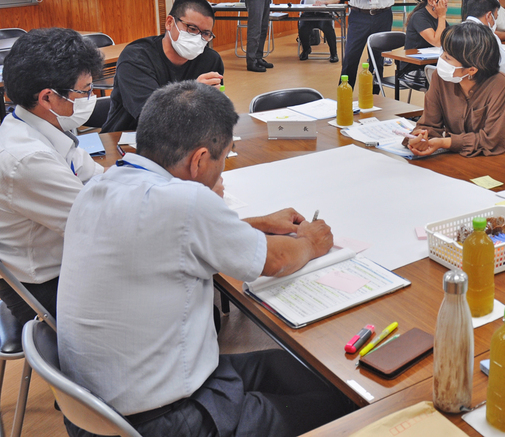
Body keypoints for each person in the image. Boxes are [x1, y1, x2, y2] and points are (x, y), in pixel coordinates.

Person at [58, 81, 355, 437]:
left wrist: (257, 222)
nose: (223, 169)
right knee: (342, 401)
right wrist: (310, 241)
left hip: (103, 406)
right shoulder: (185, 203)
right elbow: (274, 261)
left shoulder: (104, 185)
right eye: (223, 157)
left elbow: (173, 239)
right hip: (166, 420)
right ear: (199, 160)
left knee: (293, 367)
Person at [0, 28, 104, 331]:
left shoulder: (41, 125)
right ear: (48, 98)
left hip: (65, 256)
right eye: (84, 91)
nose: (90, 98)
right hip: (42, 286)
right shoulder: (27, 159)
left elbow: (95, 178)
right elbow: (98, 225)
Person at [102, 0, 224, 133]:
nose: (198, 38)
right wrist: (191, 94)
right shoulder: (136, 58)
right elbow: (151, 118)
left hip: (186, 140)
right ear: (169, 23)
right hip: (129, 138)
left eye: (205, 34)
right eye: (191, 29)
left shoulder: (210, 60)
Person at [406, 23, 505, 157]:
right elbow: (429, 124)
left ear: (472, 69)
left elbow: (493, 141)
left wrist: (445, 143)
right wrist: (420, 136)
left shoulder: (500, 85)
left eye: (448, 58)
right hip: (455, 158)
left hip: (491, 162)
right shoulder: (441, 78)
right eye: (443, 53)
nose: (441, 60)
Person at [400, 0, 449, 89]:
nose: (446, 1)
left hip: (433, 64)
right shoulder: (420, 17)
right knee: (447, 81)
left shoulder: (439, 17)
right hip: (414, 69)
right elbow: (437, 42)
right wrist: (442, 16)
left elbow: (449, 38)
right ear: (430, 0)